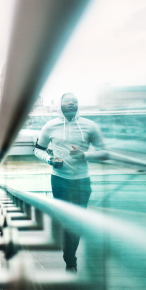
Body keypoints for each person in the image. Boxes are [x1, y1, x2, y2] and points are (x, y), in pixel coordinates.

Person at [34, 93, 108, 273]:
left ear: (78, 105)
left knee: (78, 221)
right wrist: (50, 160)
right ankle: (71, 262)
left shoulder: (89, 126)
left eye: (74, 101)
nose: (71, 103)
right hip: (60, 180)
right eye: (67, 101)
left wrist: (85, 155)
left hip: (83, 181)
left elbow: (104, 152)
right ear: (60, 105)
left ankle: (70, 258)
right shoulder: (50, 126)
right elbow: (37, 150)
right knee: (68, 221)